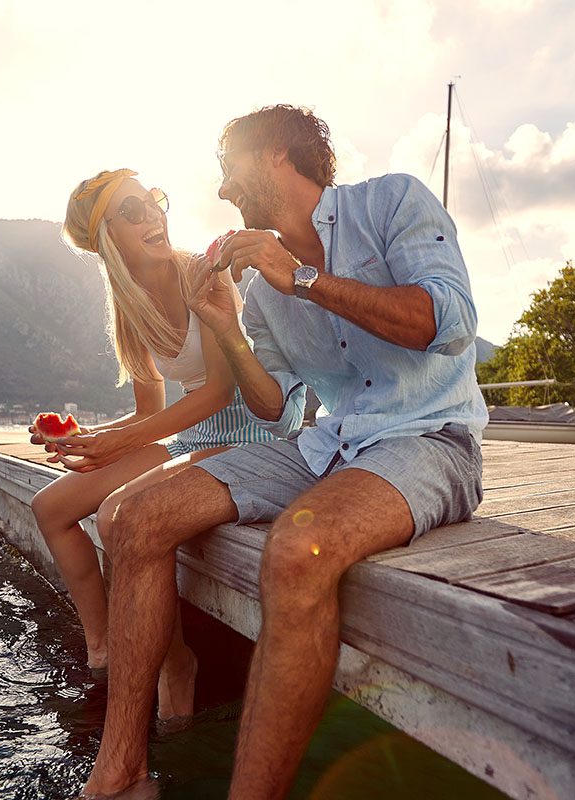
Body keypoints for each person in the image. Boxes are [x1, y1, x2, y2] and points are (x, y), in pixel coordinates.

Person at [75, 105, 488, 800]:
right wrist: (230, 331)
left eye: (228, 169)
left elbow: (445, 323)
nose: (222, 192)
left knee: (296, 552)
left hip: (430, 438)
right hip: (325, 444)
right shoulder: (260, 286)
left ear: (274, 153)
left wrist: (300, 276)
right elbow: (276, 407)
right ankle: (118, 775)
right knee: (133, 519)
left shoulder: (391, 202)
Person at [28, 169, 287, 724]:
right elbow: (150, 413)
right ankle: (103, 650)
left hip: (253, 426)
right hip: (192, 432)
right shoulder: (131, 306)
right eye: (133, 211)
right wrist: (85, 438)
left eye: (154, 201)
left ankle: (176, 666)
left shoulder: (202, 275)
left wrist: (119, 442)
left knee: (118, 516)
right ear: (108, 240)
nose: (154, 215)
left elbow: (220, 392)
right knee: (49, 506)